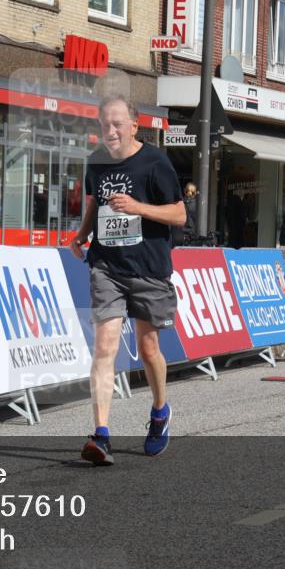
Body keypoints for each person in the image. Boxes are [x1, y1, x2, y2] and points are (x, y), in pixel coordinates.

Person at [69, 95, 186, 466]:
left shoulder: (155, 161)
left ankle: (159, 411)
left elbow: (180, 214)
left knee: (149, 348)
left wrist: (138, 208)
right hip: (107, 266)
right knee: (104, 347)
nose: (111, 130)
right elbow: (95, 204)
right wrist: (81, 234)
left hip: (149, 268)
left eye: (118, 124)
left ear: (135, 126)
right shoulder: (96, 162)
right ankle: (100, 434)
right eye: (105, 124)